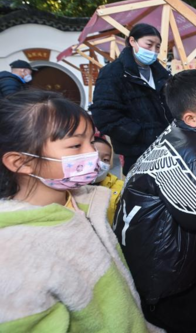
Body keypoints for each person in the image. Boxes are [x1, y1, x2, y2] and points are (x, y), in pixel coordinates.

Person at [0, 90, 158, 332]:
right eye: (75, 145)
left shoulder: (85, 203)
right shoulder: (11, 253)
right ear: (21, 162)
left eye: (90, 141)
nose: (92, 153)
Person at [113, 69, 196, 333]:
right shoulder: (191, 150)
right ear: (190, 117)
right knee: (191, 320)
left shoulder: (179, 132)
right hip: (162, 273)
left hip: (148, 260)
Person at [90, 23, 173, 176]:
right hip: (136, 153)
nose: (153, 51)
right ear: (132, 41)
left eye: (157, 47)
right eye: (149, 44)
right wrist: (139, 134)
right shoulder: (112, 73)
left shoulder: (162, 74)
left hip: (168, 149)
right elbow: (105, 116)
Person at [92, 135, 124, 225]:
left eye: (106, 159)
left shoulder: (120, 189)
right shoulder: (66, 189)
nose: (100, 163)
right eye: (95, 156)